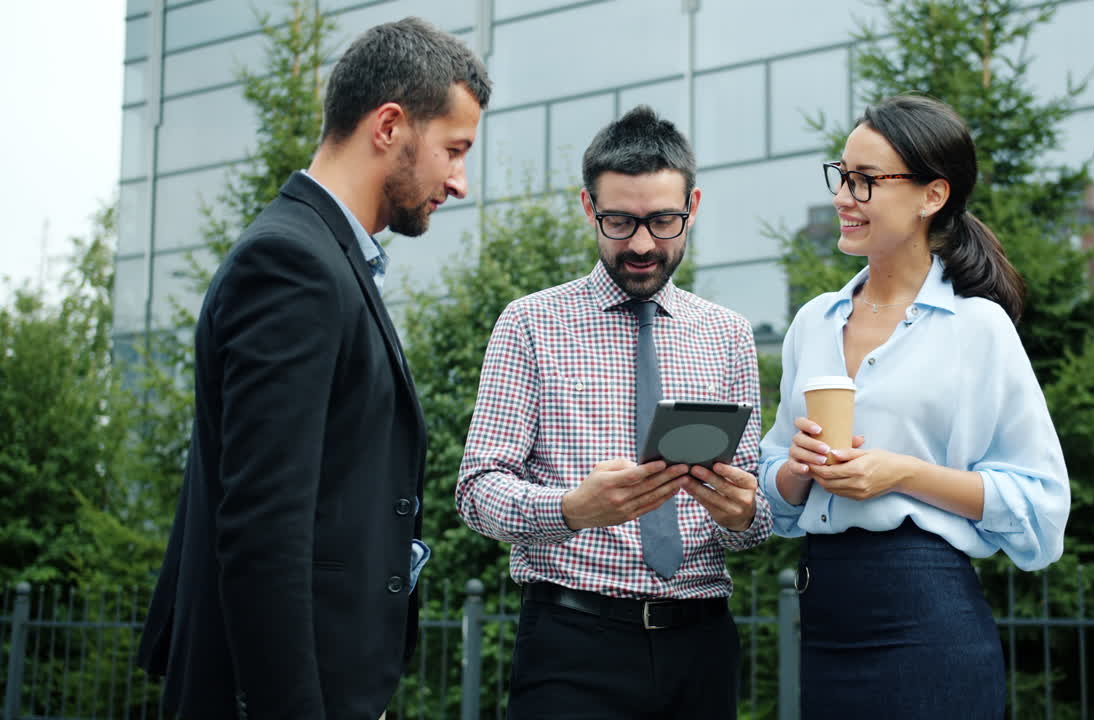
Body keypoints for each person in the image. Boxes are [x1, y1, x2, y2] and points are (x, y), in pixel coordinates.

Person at [134, 18, 490, 720]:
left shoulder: (323, 257)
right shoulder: (293, 266)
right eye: (454, 150)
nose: (461, 183)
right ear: (388, 126)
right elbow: (264, 531)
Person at [759, 94, 1070, 718]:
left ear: (932, 196)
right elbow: (773, 496)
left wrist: (900, 474)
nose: (844, 196)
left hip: (928, 619)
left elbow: (1041, 506)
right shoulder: (812, 323)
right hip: (823, 619)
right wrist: (794, 471)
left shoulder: (976, 328)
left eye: (867, 181)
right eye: (842, 175)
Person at [456, 105, 771, 720]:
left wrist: (744, 511)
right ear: (587, 208)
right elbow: (476, 490)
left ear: (694, 207)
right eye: (620, 222)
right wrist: (571, 510)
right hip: (572, 647)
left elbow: (756, 519)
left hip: (700, 644)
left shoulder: (729, 336)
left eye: (663, 220)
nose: (644, 244)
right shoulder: (529, 324)